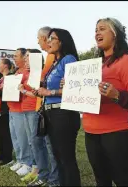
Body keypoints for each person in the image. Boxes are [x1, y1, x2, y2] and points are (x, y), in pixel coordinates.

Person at [78, 18, 128, 186]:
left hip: (117, 132)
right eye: (96, 30)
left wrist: (117, 95)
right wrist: (70, 85)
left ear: (115, 34)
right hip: (91, 130)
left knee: (122, 179)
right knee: (101, 179)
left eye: (102, 29)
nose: (97, 33)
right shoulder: (95, 66)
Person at [36, 28, 81, 186]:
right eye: (47, 39)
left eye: (52, 38)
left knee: (66, 158)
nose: (48, 42)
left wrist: (49, 91)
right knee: (57, 157)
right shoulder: (55, 63)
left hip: (64, 113)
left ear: (62, 41)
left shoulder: (69, 59)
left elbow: (74, 89)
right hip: (51, 113)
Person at [23, 27, 59, 186]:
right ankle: (44, 175)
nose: (38, 41)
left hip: (51, 110)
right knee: (38, 142)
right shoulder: (48, 59)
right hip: (41, 108)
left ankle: (53, 180)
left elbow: (48, 86)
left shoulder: (53, 58)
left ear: (46, 38)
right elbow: (41, 87)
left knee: (50, 147)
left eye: (39, 38)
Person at [7, 48, 35, 176]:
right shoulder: (17, 71)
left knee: (25, 139)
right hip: (15, 107)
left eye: (16, 56)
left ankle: (28, 163)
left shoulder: (29, 71)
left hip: (23, 108)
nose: (15, 58)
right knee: (16, 137)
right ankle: (21, 160)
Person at [0, 58, 14, 166]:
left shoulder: (10, 77)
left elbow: (8, 94)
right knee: (1, 134)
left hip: (5, 110)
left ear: (5, 66)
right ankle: (1, 154)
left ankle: (8, 157)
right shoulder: (1, 79)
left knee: (6, 134)